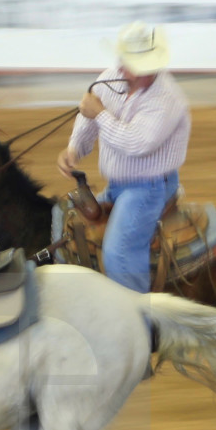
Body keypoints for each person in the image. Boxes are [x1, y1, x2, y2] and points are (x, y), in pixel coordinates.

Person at [57, 21, 191, 293]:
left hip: (149, 189)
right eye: (122, 59)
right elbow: (89, 115)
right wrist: (74, 148)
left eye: (129, 63)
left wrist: (101, 114)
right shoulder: (113, 78)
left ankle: (138, 321)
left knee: (119, 255)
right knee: (67, 225)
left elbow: (136, 143)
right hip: (119, 186)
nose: (120, 67)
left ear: (148, 67)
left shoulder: (167, 99)